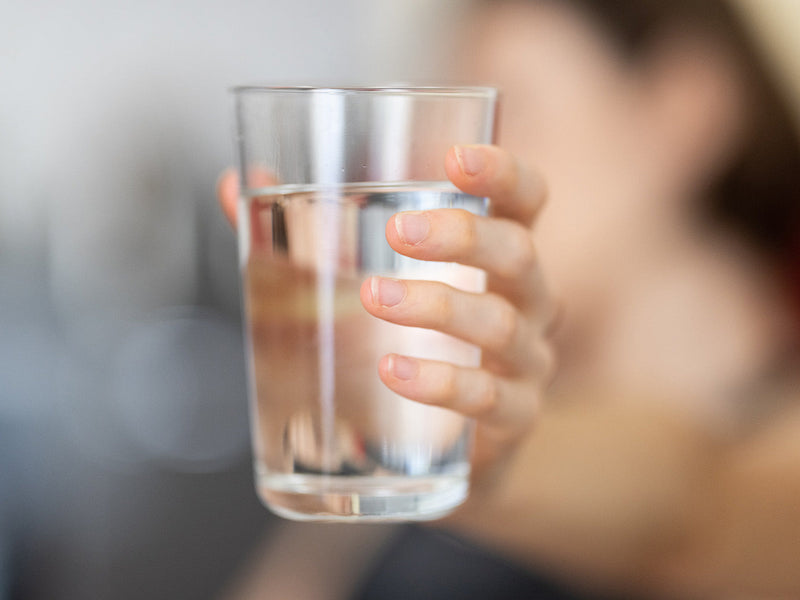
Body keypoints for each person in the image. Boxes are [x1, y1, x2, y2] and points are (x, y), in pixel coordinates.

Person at [216, 0, 800, 598]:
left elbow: (692, 509)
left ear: (686, 105)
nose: (443, 173)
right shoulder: (430, 423)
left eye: (508, 113)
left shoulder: (775, 446)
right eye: (437, 131)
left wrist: (496, 464)